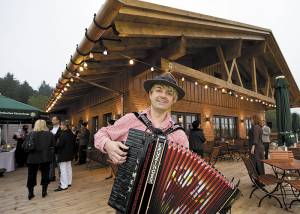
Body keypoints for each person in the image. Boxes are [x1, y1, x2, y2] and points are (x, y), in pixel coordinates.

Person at [94, 72, 189, 167]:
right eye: (159, 90)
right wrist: (108, 144)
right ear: (150, 94)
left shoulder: (179, 135)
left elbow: (184, 167)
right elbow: (101, 134)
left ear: (173, 99)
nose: (163, 95)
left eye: (169, 93)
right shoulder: (131, 119)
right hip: (128, 180)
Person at [23, 120, 55, 200]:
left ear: (36, 125)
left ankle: (30, 193)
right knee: (45, 174)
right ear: (45, 125)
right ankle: (44, 192)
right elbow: (53, 145)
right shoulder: (50, 134)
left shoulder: (31, 134)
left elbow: (24, 146)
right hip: (45, 158)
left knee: (31, 176)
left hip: (32, 158)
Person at [54, 120, 75, 191]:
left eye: (61, 125)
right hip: (70, 153)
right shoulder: (71, 133)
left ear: (65, 126)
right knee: (68, 168)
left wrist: (55, 145)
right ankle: (69, 182)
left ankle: (63, 185)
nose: (60, 126)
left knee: (63, 170)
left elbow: (60, 144)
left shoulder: (63, 134)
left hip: (63, 154)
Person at [49, 116, 61, 181]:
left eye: (54, 120)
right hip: (51, 148)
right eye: (52, 120)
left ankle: (61, 177)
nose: (52, 121)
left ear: (58, 121)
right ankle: (51, 176)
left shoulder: (61, 129)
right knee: (51, 163)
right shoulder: (50, 128)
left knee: (58, 163)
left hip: (57, 149)